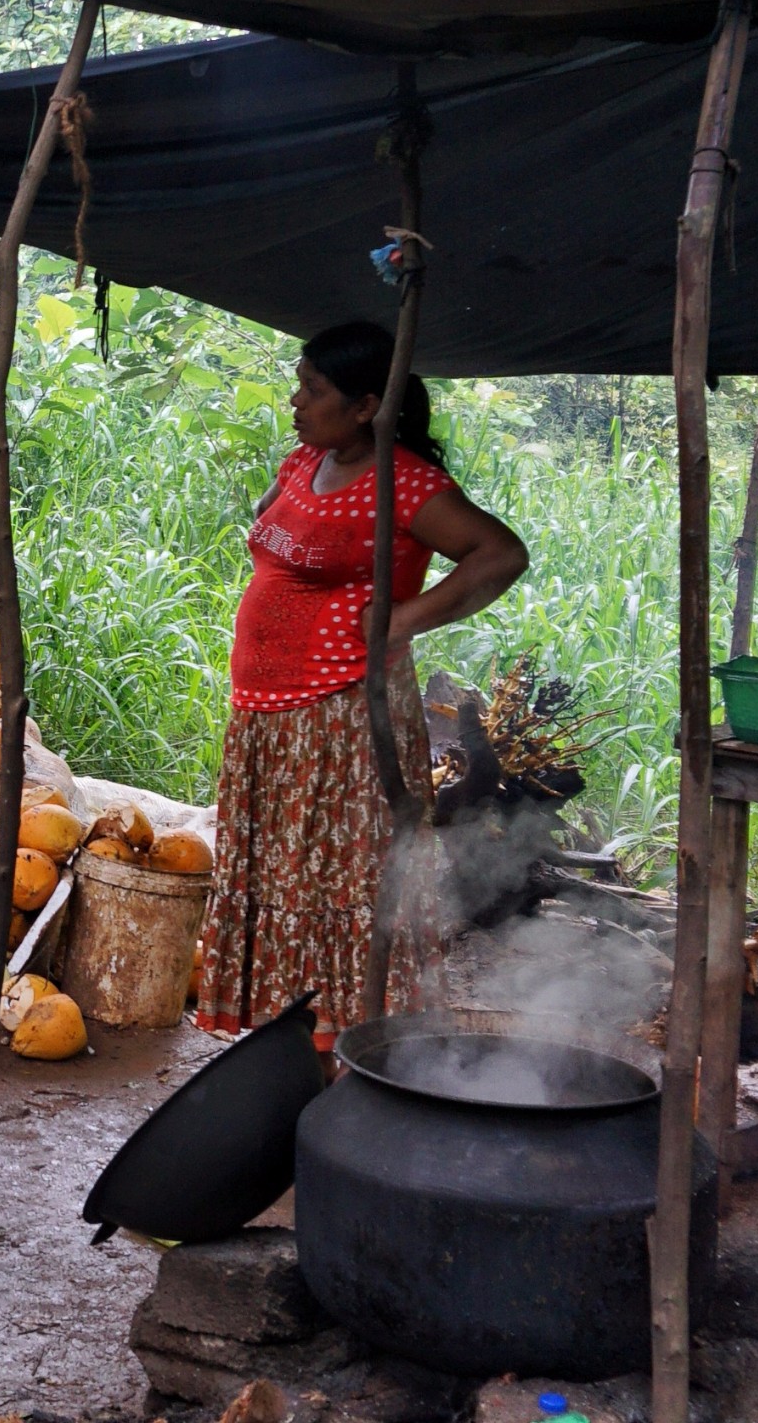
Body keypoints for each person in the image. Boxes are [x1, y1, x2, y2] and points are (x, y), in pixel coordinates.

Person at [193, 322, 528, 1056]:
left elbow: (499, 554)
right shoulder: (305, 459)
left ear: (367, 405)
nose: (296, 400)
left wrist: (405, 615)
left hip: (341, 718)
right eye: (300, 384)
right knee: (284, 875)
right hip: (269, 715)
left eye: (314, 391)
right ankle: (288, 1041)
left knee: (335, 882)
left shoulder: (405, 482)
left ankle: (350, 1049)